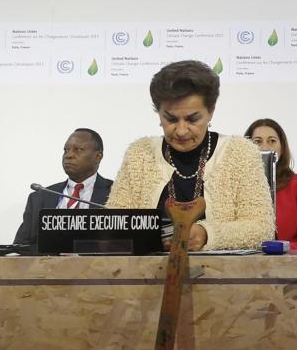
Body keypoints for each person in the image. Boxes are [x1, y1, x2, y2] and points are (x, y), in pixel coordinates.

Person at [105, 60, 272, 251]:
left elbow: (261, 228)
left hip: (220, 269)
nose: (181, 131)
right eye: (171, 119)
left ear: (211, 112)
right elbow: (112, 225)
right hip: (148, 268)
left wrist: (207, 234)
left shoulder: (240, 153)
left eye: (193, 119)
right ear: (158, 113)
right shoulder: (140, 154)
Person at [13, 128, 114, 247]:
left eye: (78, 150)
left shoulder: (116, 193)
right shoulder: (39, 197)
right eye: (66, 150)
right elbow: (20, 247)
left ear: (98, 156)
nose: (68, 155)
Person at [246, 118, 297, 244]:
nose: (265, 148)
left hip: (290, 256)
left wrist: (282, 250)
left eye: (272, 141)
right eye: (257, 142)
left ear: (282, 148)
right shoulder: (237, 186)